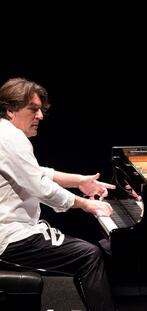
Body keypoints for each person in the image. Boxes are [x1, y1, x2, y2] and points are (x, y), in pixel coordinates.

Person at [0, 77, 117, 311]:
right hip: (10, 238)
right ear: (10, 110)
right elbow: (40, 187)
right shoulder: (11, 138)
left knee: (92, 251)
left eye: (41, 110)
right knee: (89, 254)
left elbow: (37, 173)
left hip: (14, 231)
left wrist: (80, 181)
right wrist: (86, 204)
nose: (40, 116)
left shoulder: (6, 134)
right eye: (33, 109)